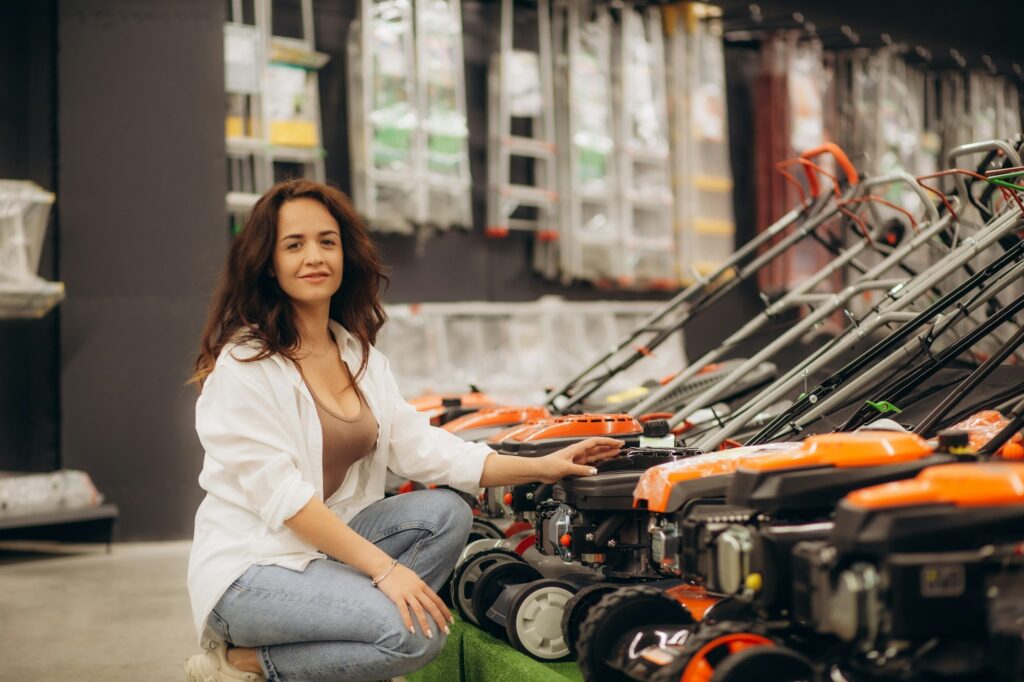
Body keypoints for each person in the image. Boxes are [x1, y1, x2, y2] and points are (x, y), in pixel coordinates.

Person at [184, 179, 623, 682]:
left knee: (446, 511)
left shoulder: (358, 356)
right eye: (294, 244)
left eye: (327, 241)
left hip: (323, 554)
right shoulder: (245, 365)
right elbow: (287, 501)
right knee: (417, 635)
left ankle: (346, 636)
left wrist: (542, 465)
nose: (314, 256)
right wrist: (387, 573)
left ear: (345, 253)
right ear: (268, 262)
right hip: (251, 569)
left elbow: (423, 448)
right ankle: (238, 662)